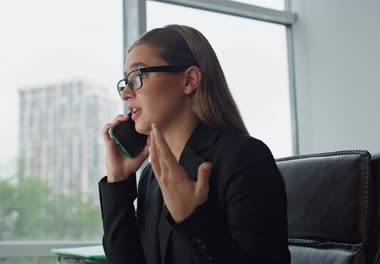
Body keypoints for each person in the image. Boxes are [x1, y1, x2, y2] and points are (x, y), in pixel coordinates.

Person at [98, 24, 290, 264]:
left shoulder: (245, 157)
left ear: (189, 80)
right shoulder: (152, 177)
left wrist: (192, 219)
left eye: (138, 76)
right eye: (125, 81)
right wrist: (118, 181)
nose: (125, 93)